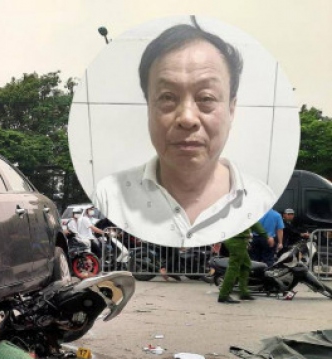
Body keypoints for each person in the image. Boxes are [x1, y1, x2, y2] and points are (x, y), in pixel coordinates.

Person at [93, 23, 276, 248]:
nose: (187, 118)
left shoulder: (260, 200)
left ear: (231, 109)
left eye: (206, 98)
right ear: (149, 106)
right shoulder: (109, 197)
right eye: (167, 97)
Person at [218, 223, 269, 304]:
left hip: (237, 239)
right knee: (233, 268)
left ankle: (244, 293)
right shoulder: (245, 213)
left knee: (246, 265)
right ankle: (224, 295)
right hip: (237, 241)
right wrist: (267, 236)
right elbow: (254, 222)